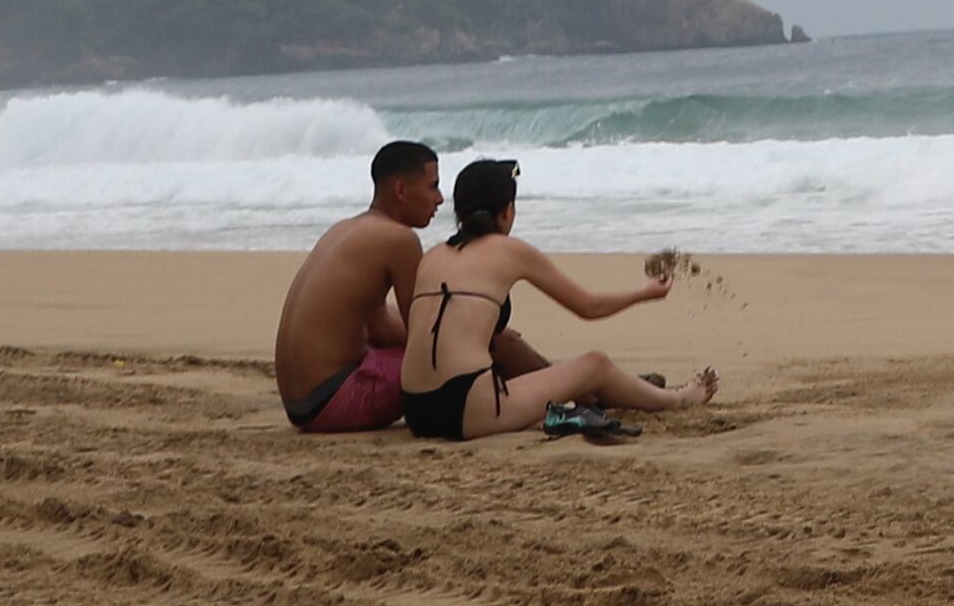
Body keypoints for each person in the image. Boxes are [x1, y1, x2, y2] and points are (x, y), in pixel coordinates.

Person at [396, 156, 715, 442]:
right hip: (465, 409)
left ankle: (592, 398)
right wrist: (644, 293)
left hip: (416, 409)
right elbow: (588, 307)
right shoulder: (510, 251)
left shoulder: (433, 255)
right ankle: (679, 399)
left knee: (504, 343)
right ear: (506, 211)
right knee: (596, 364)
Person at [274, 138, 548, 432]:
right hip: (337, 400)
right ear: (401, 190)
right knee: (494, 346)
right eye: (433, 186)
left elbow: (379, 327)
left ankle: (545, 390)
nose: (440, 199)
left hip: (303, 403)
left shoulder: (346, 229)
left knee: (476, 342)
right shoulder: (400, 240)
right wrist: (480, 338)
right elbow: (425, 340)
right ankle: (561, 393)